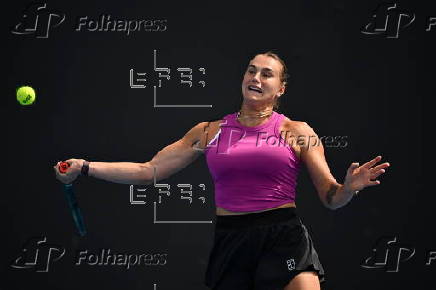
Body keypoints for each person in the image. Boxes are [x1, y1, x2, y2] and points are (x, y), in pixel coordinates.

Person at [54, 51, 390, 290]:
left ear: (281, 89)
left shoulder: (296, 131)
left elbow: (331, 197)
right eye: (251, 70)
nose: (255, 78)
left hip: (283, 237)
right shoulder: (209, 131)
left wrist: (348, 188)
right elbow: (148, 170)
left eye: (266, 74)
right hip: (232, 239)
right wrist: (85, 167)